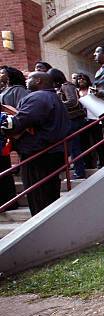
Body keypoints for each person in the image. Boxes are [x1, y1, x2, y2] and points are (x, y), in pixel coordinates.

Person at [0, 71, 71, 216]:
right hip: (53, 151)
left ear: (38, 80)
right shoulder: (53, 98)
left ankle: (44, 231)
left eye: (29, 78)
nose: (26, 80)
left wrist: (5, 122)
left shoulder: (38, 97)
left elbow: (20, 121)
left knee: (38, 197)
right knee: (50, 195)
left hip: (38, 153)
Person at [0, 66, 29, 210]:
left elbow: (22, 110)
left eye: (2, 72)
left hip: (16, 129)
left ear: (10, 75)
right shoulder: (4, 90)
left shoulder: (18, 89)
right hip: (4, 131)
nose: (0, 74)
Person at [49, 68, 86, 179]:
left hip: (73, 119)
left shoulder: (66, 86)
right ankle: (77, 169)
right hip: (70, 120)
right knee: (72, 147)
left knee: (74, 146)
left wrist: (57, 104)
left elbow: (73, 101)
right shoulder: (61, 87)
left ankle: (79, 172)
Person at [76, 73, 104, 168]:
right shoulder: (76, 92)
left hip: (94, 118)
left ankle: (102, 161)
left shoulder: (92, 90)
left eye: (83, 79)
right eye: (79, 79)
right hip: (81, 120)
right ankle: (88, 163)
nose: (81, 81)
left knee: (98, 141)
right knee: (84, 143)